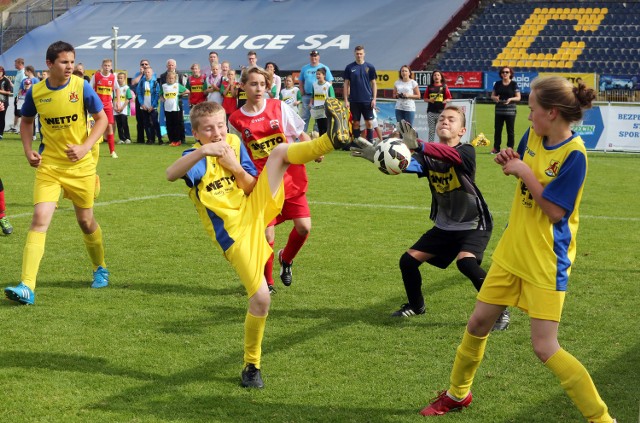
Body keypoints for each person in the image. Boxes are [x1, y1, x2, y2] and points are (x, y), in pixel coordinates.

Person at [419, 76, 617, 423]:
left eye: (534, 109)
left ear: (552, 113)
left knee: (544, 347)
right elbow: (522, 167)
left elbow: (556, 211)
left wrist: (524, 171)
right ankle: (457, 394)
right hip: (513, 251)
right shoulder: (535, 137)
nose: (528, 115)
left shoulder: (575, 155)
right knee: (479, 322)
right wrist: (511, 160)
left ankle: (602, 419)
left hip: (546, 259)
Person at [166, 98, 351, 388]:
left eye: (220, 126)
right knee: (261, 299)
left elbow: (251, 185)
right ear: (197, 133)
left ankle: (332, 140)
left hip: (256, 208)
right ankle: (252, 366)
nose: (217, 134)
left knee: (279, 152)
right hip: (235, 236)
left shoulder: (234, 144)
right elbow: (170, 174)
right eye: (208, 130)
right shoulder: (198, 159)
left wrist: (235, 168)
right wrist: (203, 151)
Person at [351, 107, 509, 330]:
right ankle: (416, 306)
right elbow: (408, 165)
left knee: (466, 262)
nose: (445, 121)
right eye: (442, 118)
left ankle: (500, 311)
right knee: (408, 261)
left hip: (474, 222)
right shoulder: (426, 154)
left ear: (462, 130)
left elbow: (450, 156)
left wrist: (420, 145)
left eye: (451, 119)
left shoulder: (466, 151)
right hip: (446, 225)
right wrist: (380, 158)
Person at [4, 41, 110, 306]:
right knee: (39, 218)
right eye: (64, 62)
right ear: (49, 64)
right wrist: (28, 150)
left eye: (72, 62)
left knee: (85, 221)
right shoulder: (36, 92)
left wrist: (85, 147)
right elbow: (26, 122)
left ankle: (100, 267)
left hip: (81, 167)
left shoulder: (81, 86)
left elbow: (103, 119)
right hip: (50, 166)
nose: (69, 67)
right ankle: (27, 285)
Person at [228, 66, 317, 294]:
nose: (259, 88)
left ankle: (286, 259)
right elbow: (235, 151)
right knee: (267, 234)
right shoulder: (236, 120)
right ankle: (268, 283)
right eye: (253, 84)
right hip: (262, 184)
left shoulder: (279, 107)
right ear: (243, 86)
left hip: (291, 177)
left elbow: (299, 132)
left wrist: (313, 150)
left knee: (304, 228)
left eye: (262, 84)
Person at [344, 45, 377, 142]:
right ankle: (357, 144)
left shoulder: (370, 67)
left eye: (361, 54)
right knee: (355, 123)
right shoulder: (349, 67)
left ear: (364, 54)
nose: (359, 55)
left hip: (367, 100)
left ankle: (370, 142)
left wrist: (374, 99)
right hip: (354, 100)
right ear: (354, 54)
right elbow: (346, 84)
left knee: (369, 123)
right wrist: (346, 100)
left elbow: (374, 83)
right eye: (357, 54)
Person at [90, 58, 120, 158]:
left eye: (108, 66)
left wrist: (117, 101)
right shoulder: (96, 76)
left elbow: (117, 89)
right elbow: (90, 88)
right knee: (94, 126)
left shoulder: (113, 77)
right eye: (105, 65)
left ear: (111, 67)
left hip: (108, 105)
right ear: (102, 66)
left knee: (109, 126)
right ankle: (90, 147)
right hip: (97, 105)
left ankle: (112, 151)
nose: (107, 67)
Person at [298, 50, 334, 134]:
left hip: (320, 97)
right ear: (310, 57)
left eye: (315, 56)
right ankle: (302, 137)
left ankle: (317, 135)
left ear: (318, 57)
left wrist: (327, 95)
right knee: (304, 117)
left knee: (319, 117)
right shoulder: (305, 68)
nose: (314, 58)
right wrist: (302, 92)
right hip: (307, 96)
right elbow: (300, 81)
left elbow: (330, 82)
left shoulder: (324, 68)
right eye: (312, 56)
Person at [491, 66, 521, 154]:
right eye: (503, 72)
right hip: (499, 110)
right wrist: (495, 98)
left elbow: (518, 97)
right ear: (501, 74)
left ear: (510, 74)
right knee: (497, 130)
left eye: (507, 72)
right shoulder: (497, 84)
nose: (505, 74)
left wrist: (510, 99)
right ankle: (496, 148)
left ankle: (510, 148)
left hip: (510, 111)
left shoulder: (514, 84)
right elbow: (492, 96)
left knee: (510, 130)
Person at [159, 59, 186, 145]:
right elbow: (162, 90)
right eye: (169, 65)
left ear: (175, 66)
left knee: (179, 121)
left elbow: (184, 87)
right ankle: (171, 139)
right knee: (169, 122)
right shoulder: (163, 76)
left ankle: (181, 139)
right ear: (167, 66)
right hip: (167, 103)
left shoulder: (180, 75)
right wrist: (162, 98)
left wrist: (178, 94)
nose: (171, 67)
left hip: (177, 102)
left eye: (172, 65)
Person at [136, 66, 163, 145]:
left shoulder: (155, 83)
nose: (147, 74)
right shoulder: (142, 82)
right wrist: (142, 104)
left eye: (149, 72)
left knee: (155, 123)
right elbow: (139, 93)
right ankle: (149, 139)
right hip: (144, 107)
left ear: (152, 73)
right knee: (146, 123)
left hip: (152, 107)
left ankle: (159, 139)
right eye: (146, 72)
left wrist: (153, 105)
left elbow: (157, 95)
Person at [424, 70, 452, 143]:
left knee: (442, 130)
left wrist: (446, 101)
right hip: (431, 112)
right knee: (431, 131)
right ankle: (431, 145)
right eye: (435, 75)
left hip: (441, 113)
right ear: (432, 77)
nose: (436, 77)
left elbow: (449, 98)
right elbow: (425, 98)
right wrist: (430, 100)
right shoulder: (429, 87)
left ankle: (442, 145)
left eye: (438, 75)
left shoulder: (444, 87)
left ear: (441, 77)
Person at [130, 59, 154, 144]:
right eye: (142, 64)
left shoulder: (152, 74)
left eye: (146, 64)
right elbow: (133, 82)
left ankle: (151, 138)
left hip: (149, 98)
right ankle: (140, 139)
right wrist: (141, 74)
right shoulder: (138, 74)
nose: (144, 65)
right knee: (139, 120)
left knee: (149, 120)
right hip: (139, 98)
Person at [310, 67, 335, 136]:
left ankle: (328, 142)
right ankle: (321, 143)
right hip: (317, 109)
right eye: (317, 74)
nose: (317, 76)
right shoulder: (314, 85)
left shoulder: (328, 86)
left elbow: (332, 98)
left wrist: (329, 108)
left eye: (319, 74)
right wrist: (310, 104)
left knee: (326, 127)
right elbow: (313, 96)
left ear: (324, 75)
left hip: (326, 110)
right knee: (320, 127)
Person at [114, 72, 133, 144]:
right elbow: (113, 99)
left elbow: (128, 99)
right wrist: (115, 108)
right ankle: (121, 138)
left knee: (124, 123)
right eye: (118, 78)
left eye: (121, 78)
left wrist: (122, 107)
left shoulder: (126, 88)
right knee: (119, 124)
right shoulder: (115, 89)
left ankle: (127, 138)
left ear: (124, 79)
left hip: (124, 109)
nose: (119, 79)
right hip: (116, 109)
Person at [9, 57, 25, 133]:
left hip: (20, 97)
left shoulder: (22, 73)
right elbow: (17, 85)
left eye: (15, 64)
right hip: (16, 96)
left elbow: (23, 86)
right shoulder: (19, 72)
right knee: (17, 113)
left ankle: (20, 129)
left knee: (20, 113)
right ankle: (15, 128)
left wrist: (19, 97)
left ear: (20, 63)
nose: (14, 65)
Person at [0, 66, 13, 140]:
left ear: (2, 73)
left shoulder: (6, 80)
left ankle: (0, 133)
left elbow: (9, 92)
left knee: (1, 118)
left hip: (3, 102)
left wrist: (0, 91)